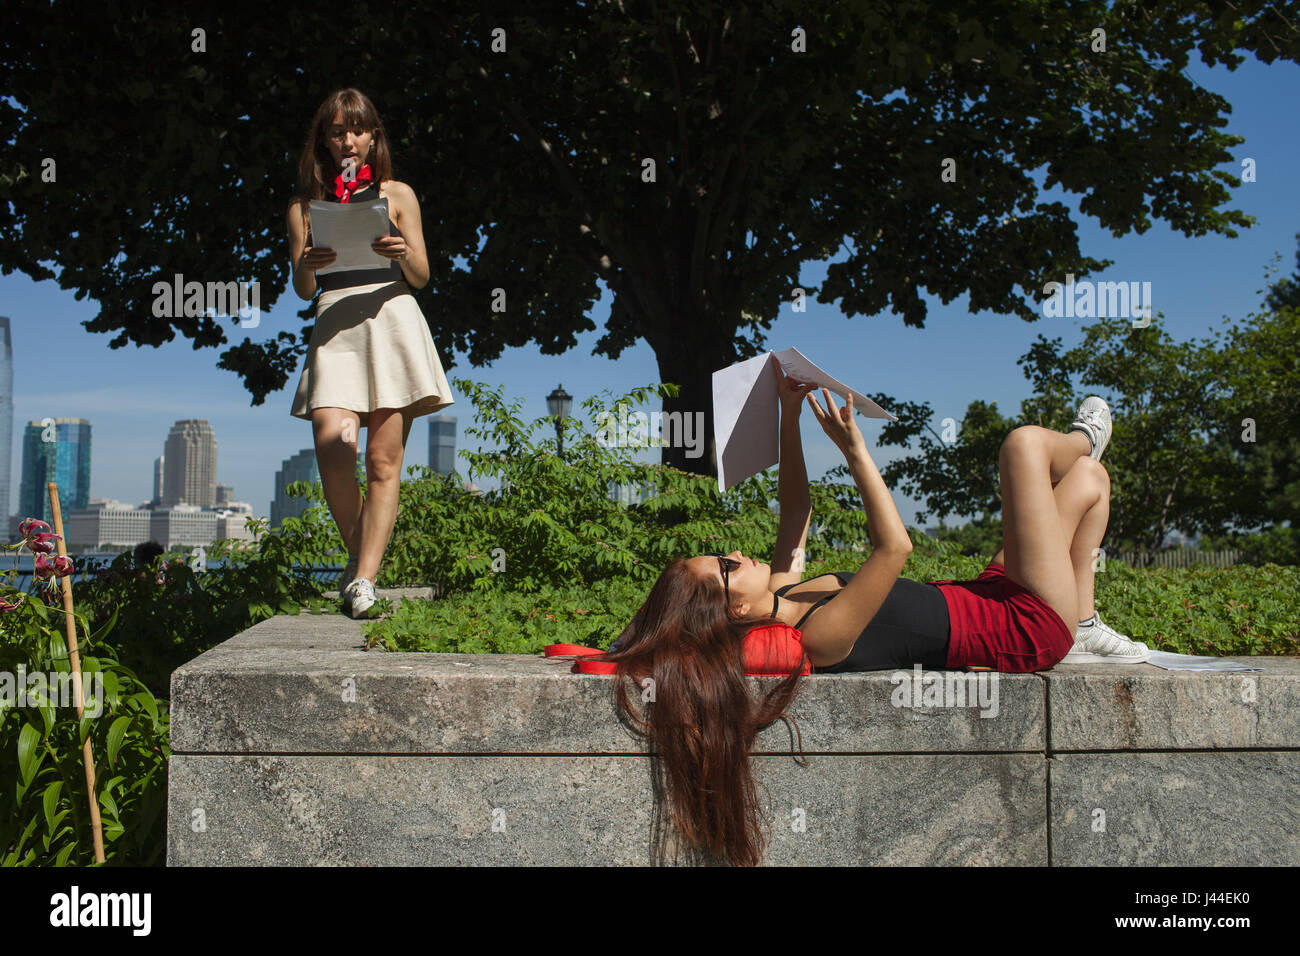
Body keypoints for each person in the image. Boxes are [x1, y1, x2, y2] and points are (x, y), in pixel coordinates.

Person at [603, 355, 1147, 865]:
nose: (740, 553)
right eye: (726, 564)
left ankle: (1086, 622)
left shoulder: (786, 589)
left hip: (990, 594)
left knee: (1088, 481)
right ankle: (1085, 441)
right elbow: (896, 548)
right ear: (737, 607)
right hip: (1025, 626)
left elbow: (796, 506)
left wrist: (788, 413)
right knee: (1025, 446)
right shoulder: (820, 635)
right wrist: (854, 449)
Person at [287, 88, 455, 618]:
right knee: (333, 445)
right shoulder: (304, 207)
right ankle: (360, 555)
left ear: (373, 137)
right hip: (336, 322)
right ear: (325, 141)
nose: (348, 140)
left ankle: (362, 580)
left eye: (357, 129)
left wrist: (403, 251)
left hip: (391, 318)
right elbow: (300, 286)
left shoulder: (399, 195)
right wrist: (309, 260)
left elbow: (424, 277)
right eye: (337, 131)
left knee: (384, 461)